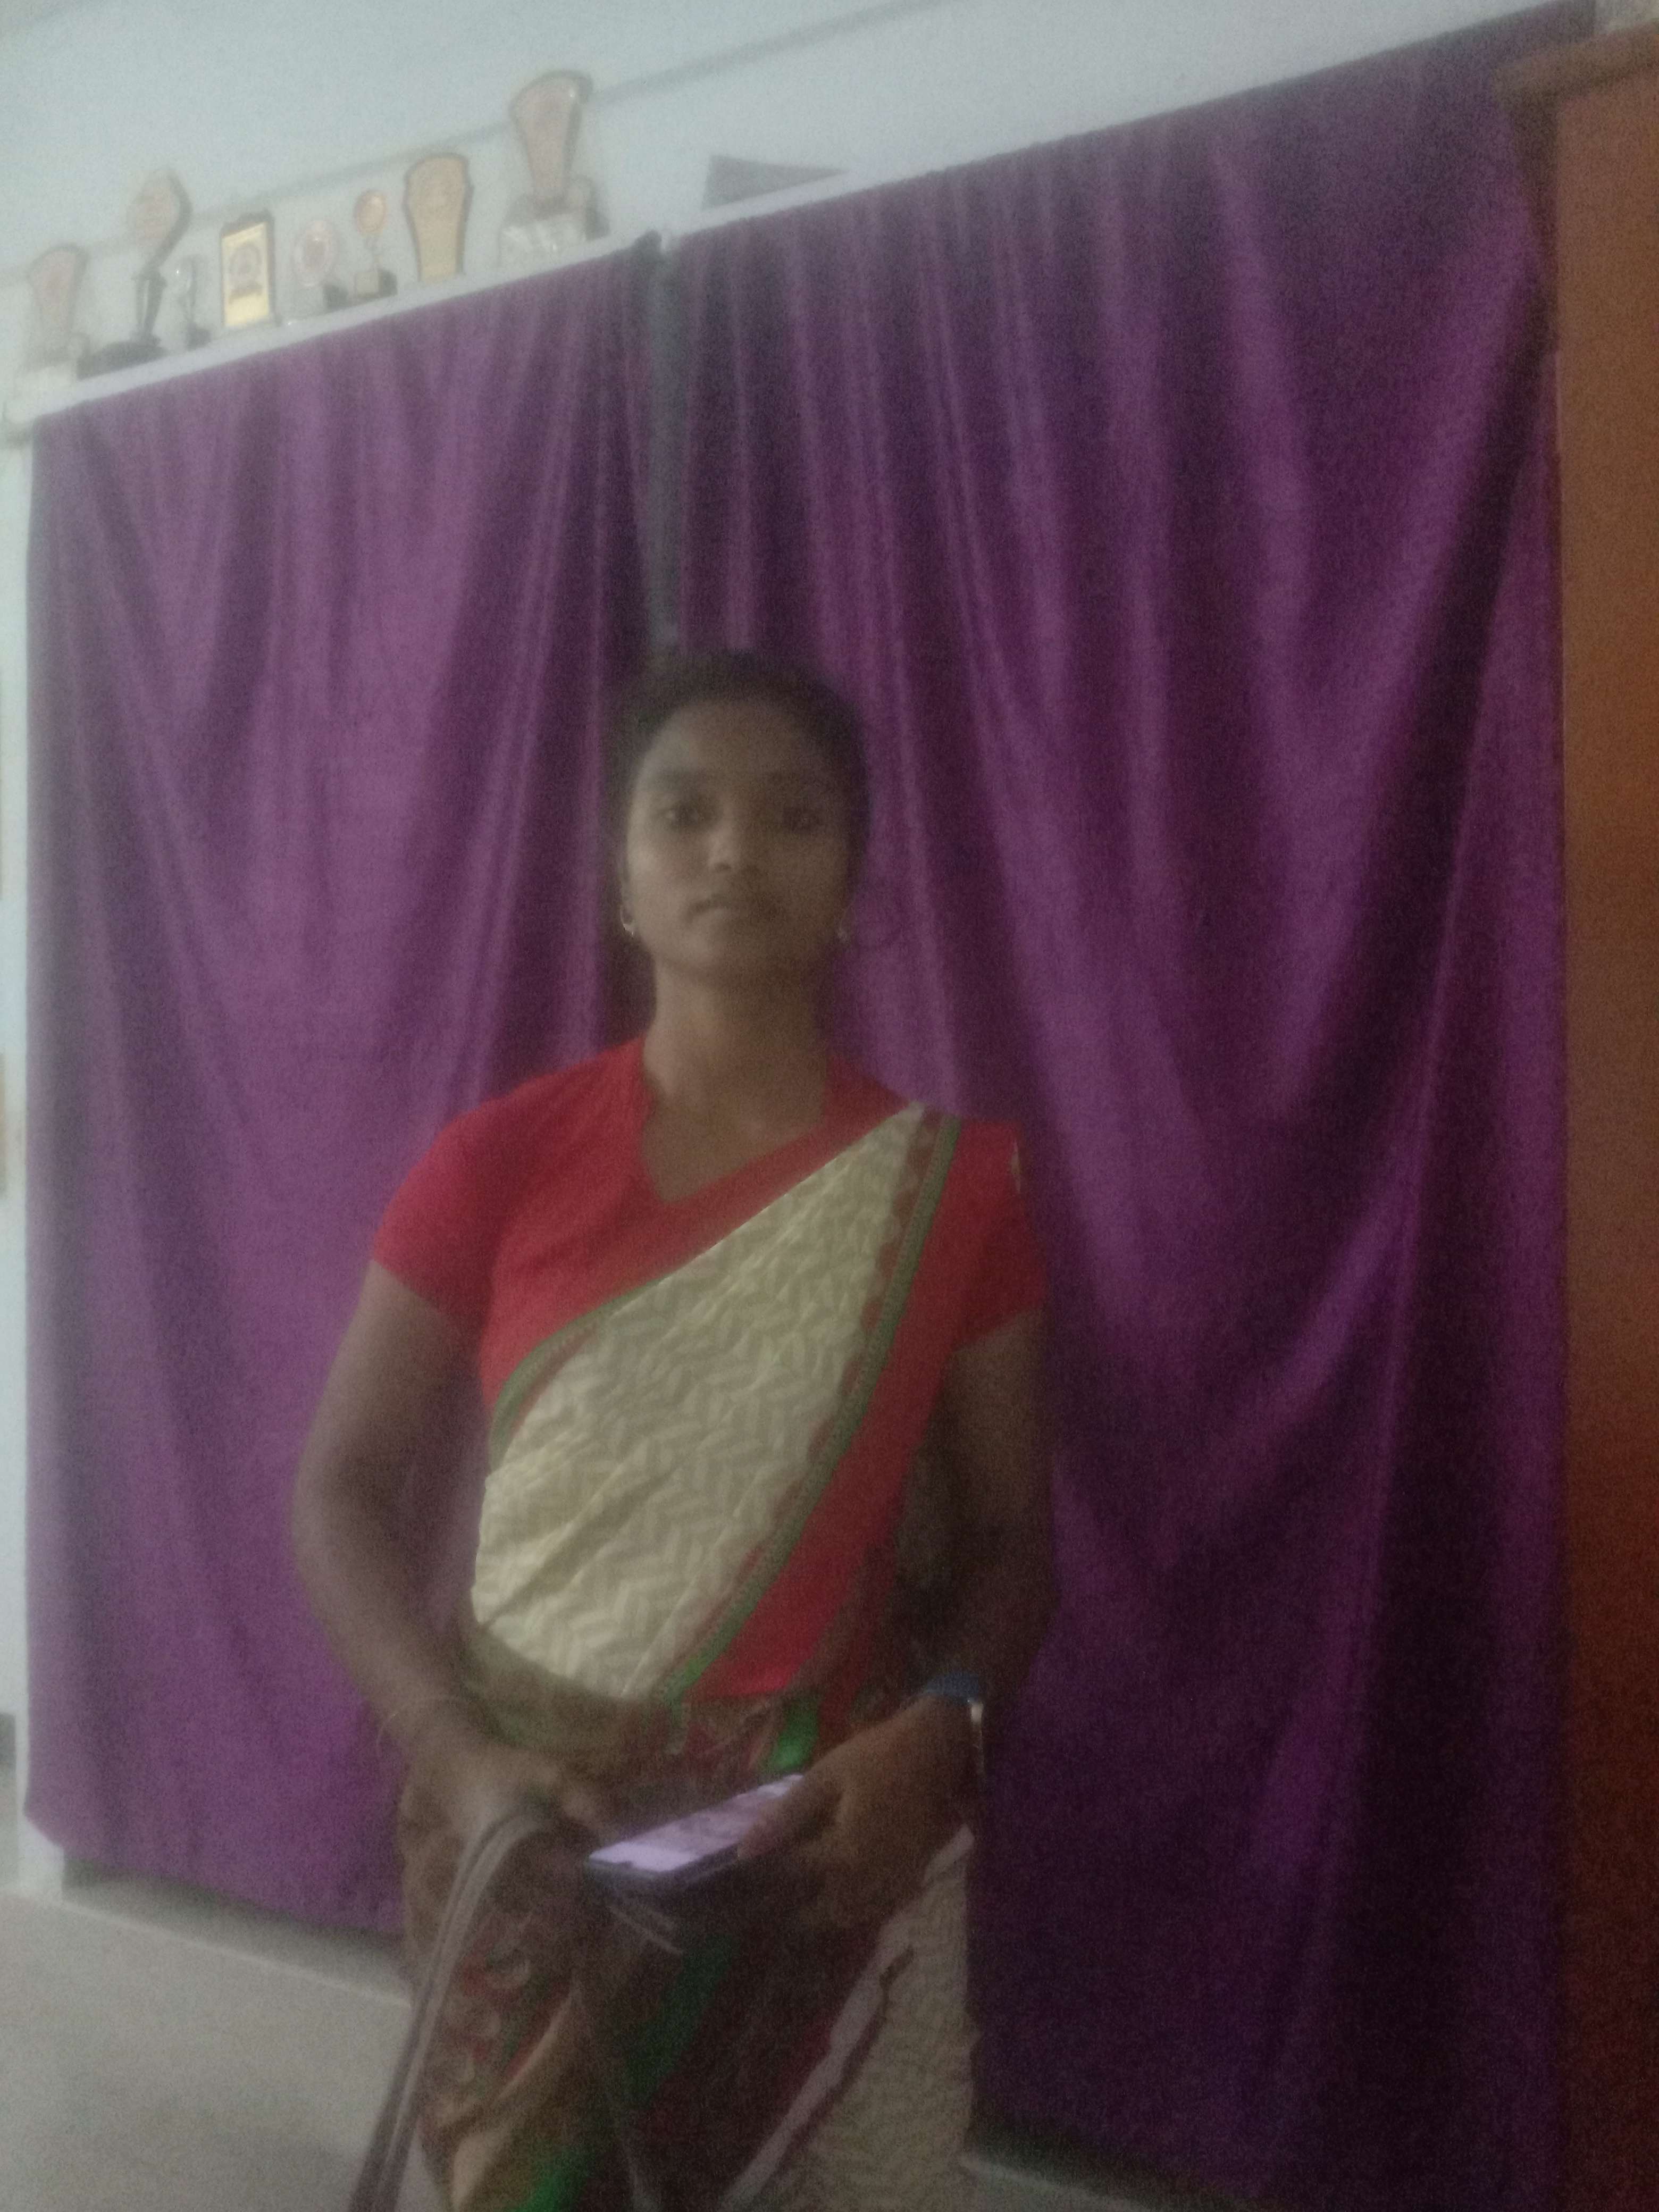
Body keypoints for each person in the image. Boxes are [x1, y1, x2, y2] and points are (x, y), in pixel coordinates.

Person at [292, 651, 1054, 2212]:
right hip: (529, 1833)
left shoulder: (950, 1194)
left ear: (851, 876)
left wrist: (938, 1738)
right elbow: (338, 1491)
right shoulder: (497, 1160)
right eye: (685, 812)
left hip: (832, 1836)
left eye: (792, 816)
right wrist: (458, 1759)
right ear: (623, 875)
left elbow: (1014, 1540)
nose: (734, 851)